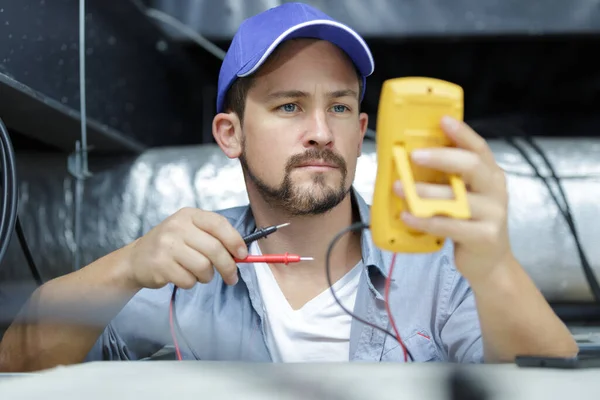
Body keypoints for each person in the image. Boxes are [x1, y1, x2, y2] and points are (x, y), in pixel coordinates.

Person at [0, 2, 577, 371]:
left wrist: (497, 265)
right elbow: (15, 368)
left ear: (361, 130)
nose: (321, 132)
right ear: (230, 133)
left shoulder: (441, 271)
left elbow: (548, 385)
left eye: (340, 107)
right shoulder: (176, 271)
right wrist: (124, 267)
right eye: (289, 106)